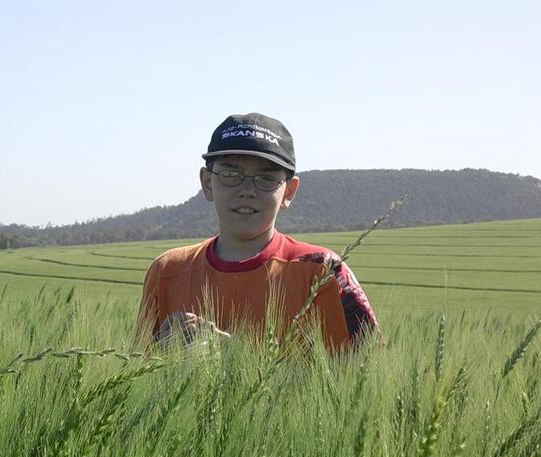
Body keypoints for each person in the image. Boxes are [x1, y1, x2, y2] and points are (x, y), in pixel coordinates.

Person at [136, 112, 378, 349]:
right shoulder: (167, 270)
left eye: (266, 178)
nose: (247, 190)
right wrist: (164, 354)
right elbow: (136, 375)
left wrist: (236, 354)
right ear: (207, 183)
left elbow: (364, 375)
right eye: (231, 174)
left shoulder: (322, 271)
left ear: (289, 192)